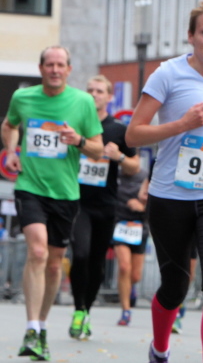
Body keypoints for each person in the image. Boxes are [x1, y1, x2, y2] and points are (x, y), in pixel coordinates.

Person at [125, 0, 203, 363]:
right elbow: (133, 134)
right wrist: (182, 125)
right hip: (170, 196)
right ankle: (160, 348)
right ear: (191, 36)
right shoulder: (168, 74)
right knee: (175, 285)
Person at [1, 46, 104, 361]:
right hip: (30, 187)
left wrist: (79, 140)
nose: (55, 70)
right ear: (41, 68)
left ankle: (42, 326)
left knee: (55, 263)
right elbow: (9, 125)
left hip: (65, 193)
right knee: (37, 251)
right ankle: (31, 327)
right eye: (50, 65)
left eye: (60, 65)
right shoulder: (23, 98)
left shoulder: (83, 102)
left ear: (69, 70)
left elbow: (98, 150)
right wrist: (12, 152)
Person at [69, 75, 140, 340]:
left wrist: (118, 156)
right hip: (78, 202)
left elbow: (135, 167)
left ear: (110, 97)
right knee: (80, 255)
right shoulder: (75, 125)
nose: (93, 94)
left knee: (97, 263)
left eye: (99, 91)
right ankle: (78, 310)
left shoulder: (118, 130)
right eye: (89, 90)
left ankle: (86, 310)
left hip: (106, 204)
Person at [114, 167, 149, 327]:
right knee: (124, 267)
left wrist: (143, 207)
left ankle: (130, 288)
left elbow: (157, 202)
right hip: (119, 224)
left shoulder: (145, 176)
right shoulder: (115, 175)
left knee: (135, 276)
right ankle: (126, 311)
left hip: (139, 227)